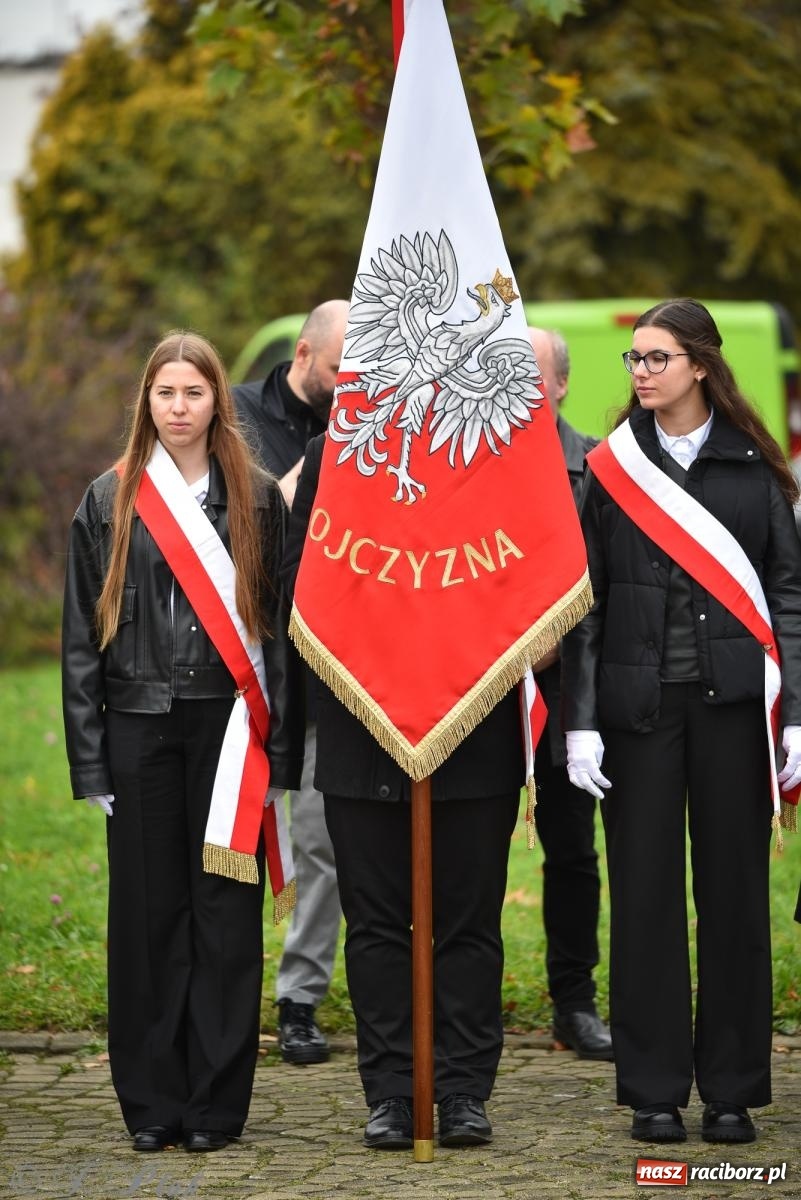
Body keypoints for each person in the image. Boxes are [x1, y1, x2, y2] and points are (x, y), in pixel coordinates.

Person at [561, 298, 801, 1145]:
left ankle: (731, 1091)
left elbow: (788, 596)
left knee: (734, 899)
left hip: (733, 711)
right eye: (633, 359)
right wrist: (579, 720)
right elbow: (584, 605)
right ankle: (653, 1090)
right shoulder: (610, 469)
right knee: (644, 901)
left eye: (656, 357)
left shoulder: (752, 468)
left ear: (699, 364)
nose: (640, 372)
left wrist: (795, 715)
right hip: (637, 715)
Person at [61, 331, 304, 1152]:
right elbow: (79, 639)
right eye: (164, 393)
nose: (178, 408)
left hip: (230, 731)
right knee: (147, 916)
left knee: (224, 918)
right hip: (138, 728)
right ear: (147, 401)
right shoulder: (108, 498)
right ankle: (152, 1104)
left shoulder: (258, 499)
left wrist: (282, 753)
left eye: (193, 393)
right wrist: (90, 758)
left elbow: (281, 634)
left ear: (216, 401)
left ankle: (214, 1107)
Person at [282, 432, 525, 1150]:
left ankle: (462, 1088)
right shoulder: (337, 451)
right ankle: (390, 1089)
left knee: (468, 922)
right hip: (363, 724)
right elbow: (299, 581)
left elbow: (526, 570)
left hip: (472, 723)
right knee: (377, 924)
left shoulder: (493, 449)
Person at [234, 299, 349, 1065]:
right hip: (240, 667)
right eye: (340, 370)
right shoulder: (235, 415)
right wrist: (303, 475)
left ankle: (299, 996)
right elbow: (222, 529)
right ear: (303, 354)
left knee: (322, 846)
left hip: (319, 674)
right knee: (230, 842)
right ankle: (221, 996)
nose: (351, 386)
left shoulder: (366, 424)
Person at [527, 328, 612, 1063]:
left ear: (559, 385)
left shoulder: (596, 468)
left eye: (530, 373)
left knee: (573, 854)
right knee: (464, 857)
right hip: (475, 693)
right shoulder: (460, 464)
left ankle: (574, 1004)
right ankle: (455, 1006)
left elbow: (606, 588)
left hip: (566, 694)